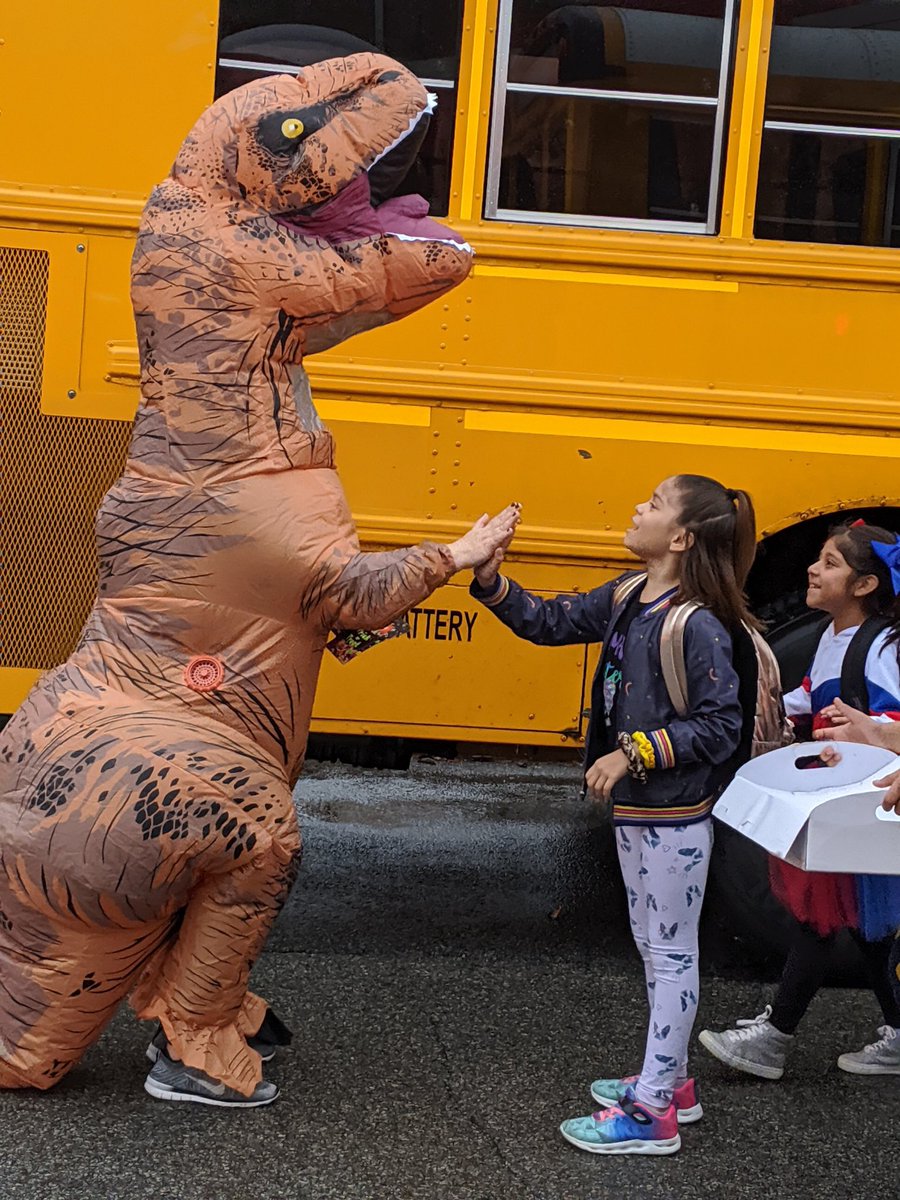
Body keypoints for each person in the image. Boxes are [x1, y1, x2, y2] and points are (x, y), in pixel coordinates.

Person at [471, 474, 753, 1156]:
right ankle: (672, 1084)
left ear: (681, 539)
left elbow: (721, 726)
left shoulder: (698, 625)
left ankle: (652, 1112)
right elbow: (551, 623)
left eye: (653, 504)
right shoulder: (631, 595)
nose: (636, 508)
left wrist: (632, 753)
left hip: (675, 817)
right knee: (654, 947)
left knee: (671, 954)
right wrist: (490, 581)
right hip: (640, 811)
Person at [700, 523, 900, 1080]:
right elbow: (811, 696)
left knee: (822, 918)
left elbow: (891, 717)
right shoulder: (835, 635)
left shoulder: (879, 645)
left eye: (830, 563)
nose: (813, 569)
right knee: (860, 925)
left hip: (859, 798)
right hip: (841, 796)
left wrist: (860, 735)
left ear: (864, 585)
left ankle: (772, 1040)